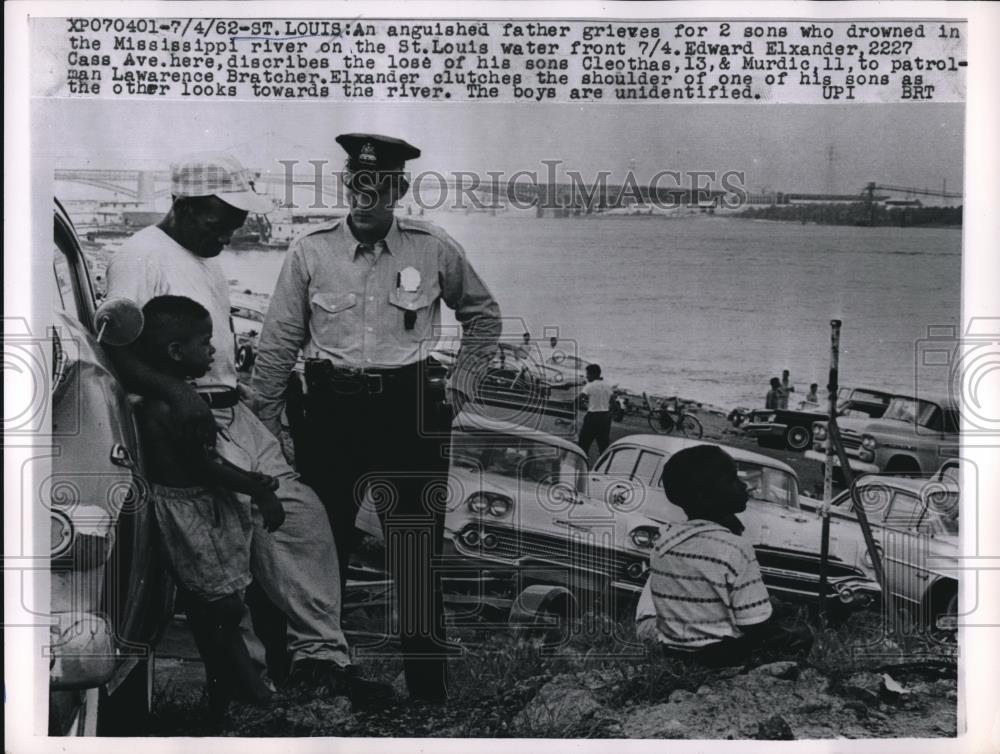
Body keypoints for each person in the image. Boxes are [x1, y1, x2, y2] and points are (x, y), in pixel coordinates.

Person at [105, 152, 387, 701]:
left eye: (238, 220)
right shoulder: (140, 256)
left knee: (300, 523)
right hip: (197, 417)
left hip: (233, 410)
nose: (233, 231)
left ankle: (319, 660)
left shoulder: (200, 254)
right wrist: (176, 392)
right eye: (222, 219)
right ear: (185, 206)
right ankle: (260, 684)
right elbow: (116, 347)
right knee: (233, 552)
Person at [251, 133, 502, 702]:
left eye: (381, 184)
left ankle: (428, 695)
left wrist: (464, 381)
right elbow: (278, 343)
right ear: (347, 185)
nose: (368, 195)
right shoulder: (310, 251)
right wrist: (265, 428)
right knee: (321, 548)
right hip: (331, 411)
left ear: (399, 189)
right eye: (358, 183)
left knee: (415, 552)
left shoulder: (432, 248)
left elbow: (483, 316)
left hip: (408, 411)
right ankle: (321, 680)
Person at [132, 295, 281, 717]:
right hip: (192, 513)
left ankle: (233, 692)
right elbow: (208, 467)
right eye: (205, 342)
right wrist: (260, 490)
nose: (213, 351)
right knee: (223, 605)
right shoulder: (177, 408)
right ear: (176, 353)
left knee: (217, 603)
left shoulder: (165, 399)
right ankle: (254, 694)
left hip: (193, 506)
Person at [635, 445, 810, 666]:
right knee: (799, 633)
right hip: (720, 655)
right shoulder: (736, 548)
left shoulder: (663, 542)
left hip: (674, 651)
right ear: (706, 494)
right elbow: (754, 623)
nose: (743, 485)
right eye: (733, 479)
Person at [578, 363, 613, 454]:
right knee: (603, 446)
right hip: (605, 417)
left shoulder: (589, 385)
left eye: (588, 374)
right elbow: (612, 401)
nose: (587, 377)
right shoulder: (608, 386)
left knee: (583, 444)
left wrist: (580, 404)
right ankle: (603, 465)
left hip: (593, 416)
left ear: (592, 374)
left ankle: (581, 465)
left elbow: (581, 398)